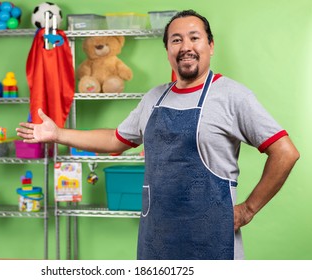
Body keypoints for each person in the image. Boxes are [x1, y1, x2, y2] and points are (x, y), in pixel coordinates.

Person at [16, 9, 299, 260]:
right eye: (176, 40)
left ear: (210, 46)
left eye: (194, 38)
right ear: (168, 50)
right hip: (157, 240)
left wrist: (248, 210)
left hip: (212, 242)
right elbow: (115, 140)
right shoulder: (154, 98)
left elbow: (285, 152)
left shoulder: (232, 96)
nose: (185, 46)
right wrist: (57, 133)